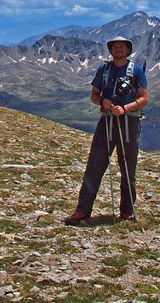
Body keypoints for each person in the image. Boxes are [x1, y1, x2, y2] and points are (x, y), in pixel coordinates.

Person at [63, 36, 149, 226]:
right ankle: (82, 211)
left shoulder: (136, 70)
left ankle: (127, 211)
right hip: (107, 121)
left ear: (128, 50)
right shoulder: (103, 70)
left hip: (129, 122)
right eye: (115, 47)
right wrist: (103, 102)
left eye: (122, 47)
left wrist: (125, 108)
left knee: (128, 168)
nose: (118, 50)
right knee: (94, 165)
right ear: (111, 51)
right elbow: (94, 95)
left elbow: (144, 99)